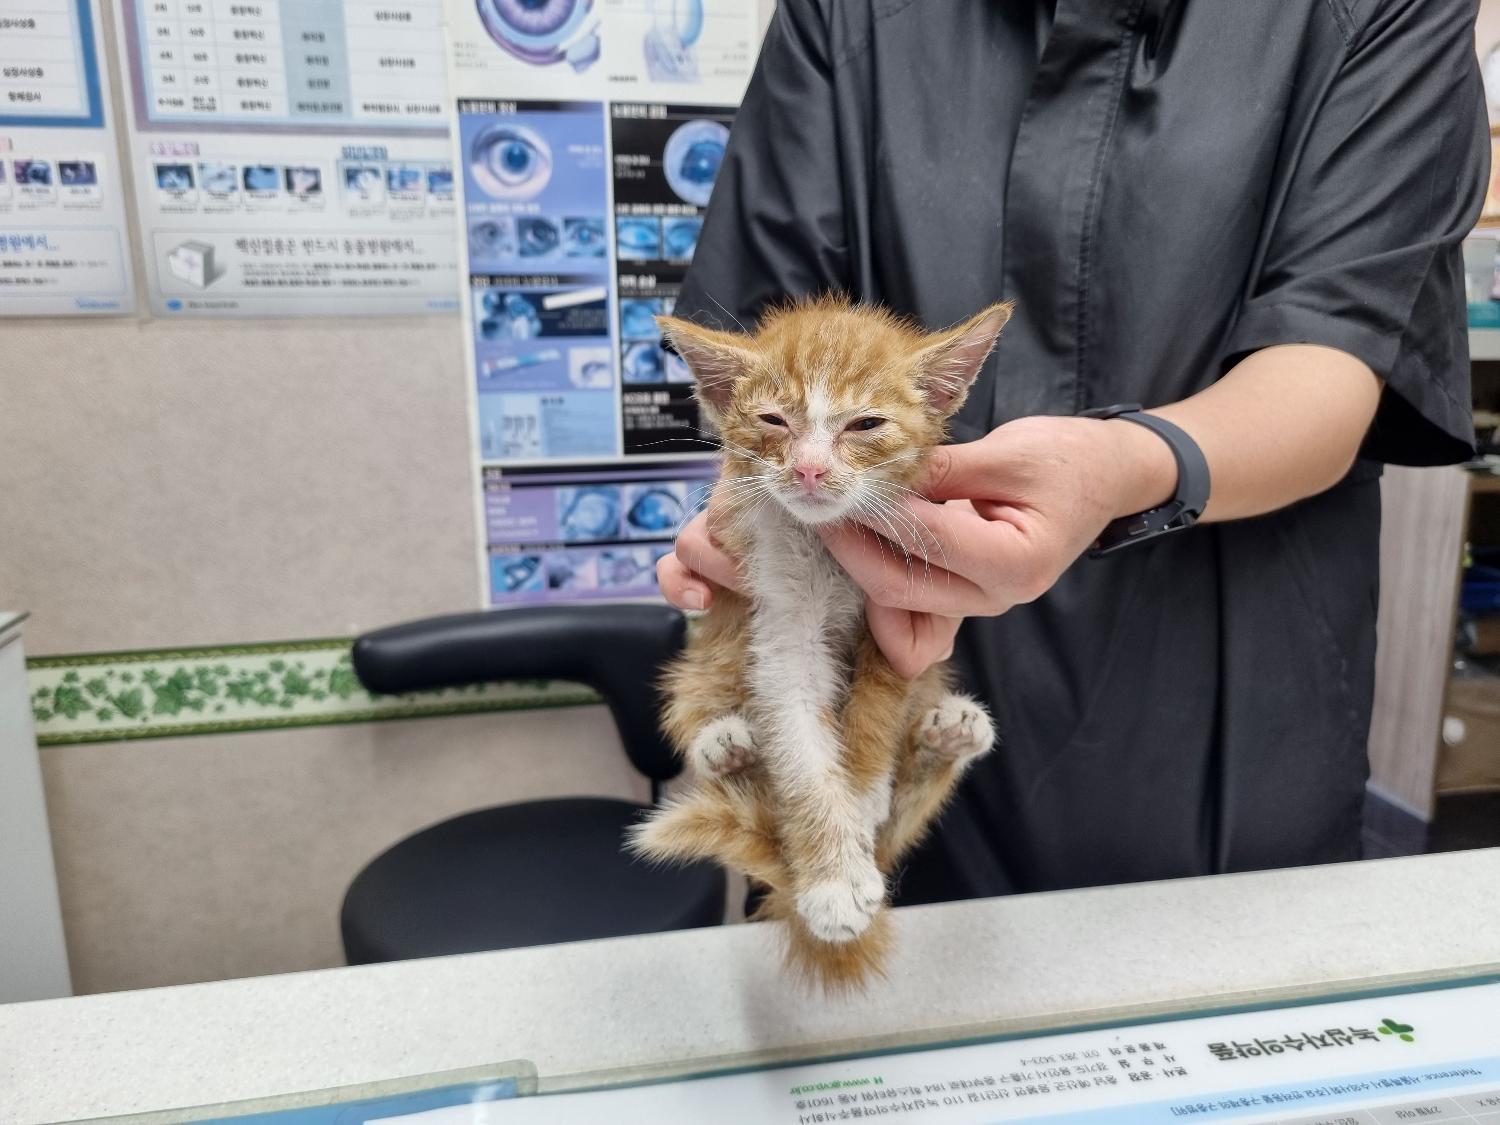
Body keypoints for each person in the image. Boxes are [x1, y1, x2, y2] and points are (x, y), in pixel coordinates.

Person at [654, 0, 1490, 905]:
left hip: (1234, 688)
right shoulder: (842, 14)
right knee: (883, 949)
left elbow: (1337, 349)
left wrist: (1129, 466)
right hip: (890, 654)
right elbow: (759, 352)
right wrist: (756, 534)